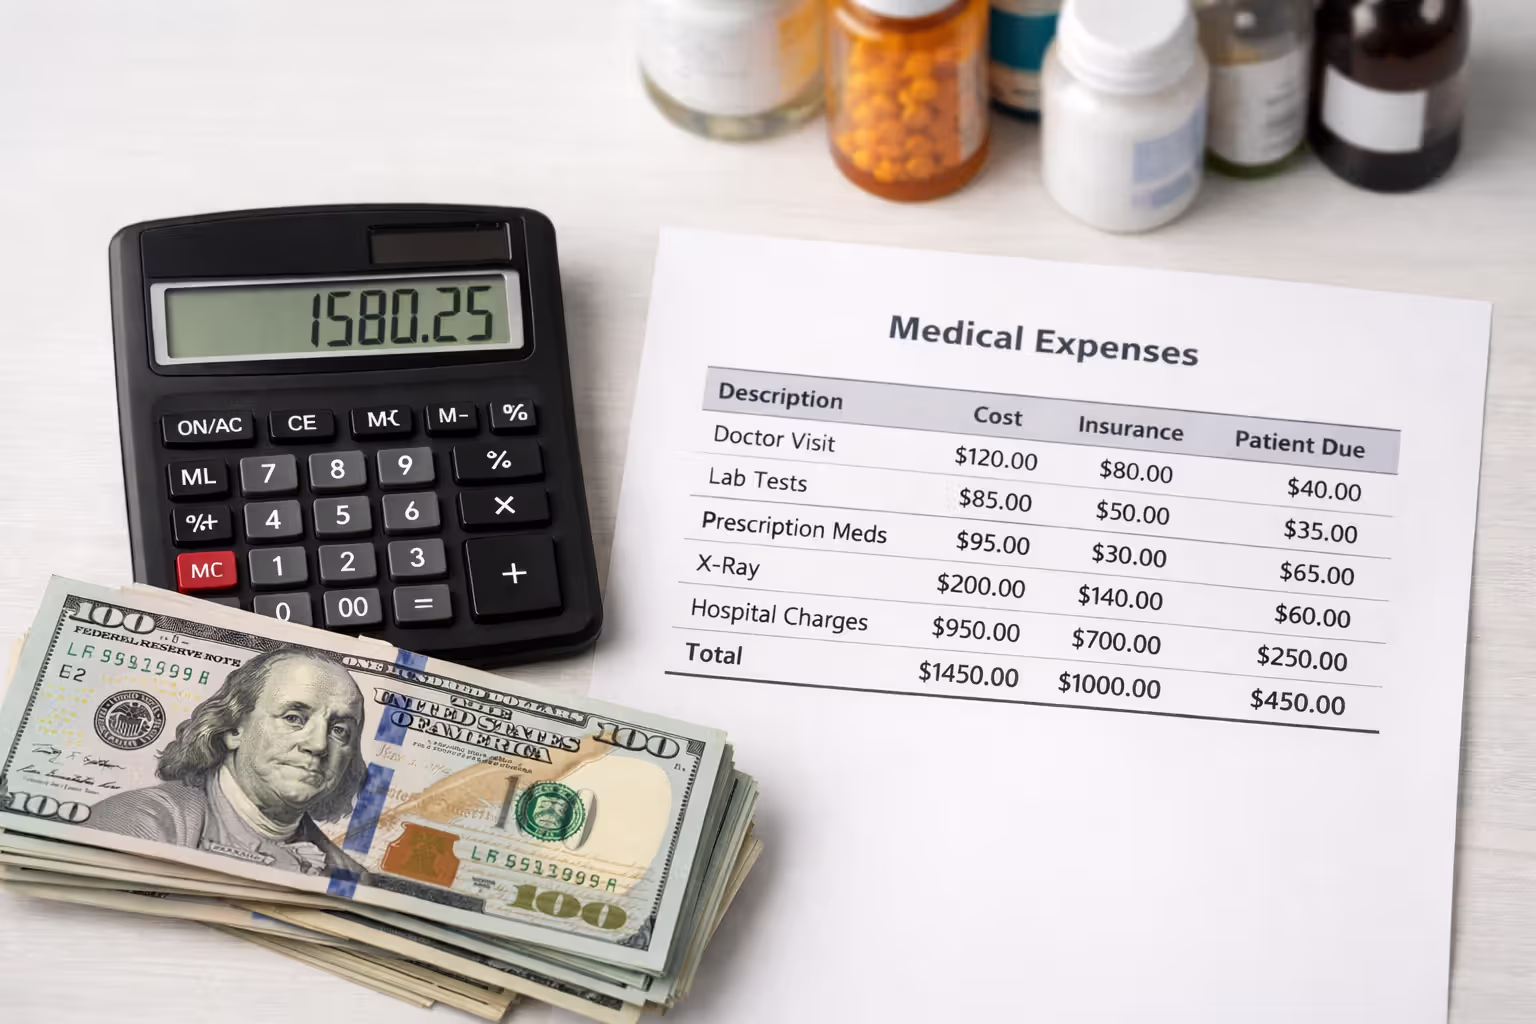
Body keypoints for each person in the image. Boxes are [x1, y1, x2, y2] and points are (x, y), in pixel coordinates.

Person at [85, 648, 369, 877]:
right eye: (293, 718)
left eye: (339, 731)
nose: (318, 745)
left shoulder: (350, 876)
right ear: (233, 729)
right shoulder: (141, 822)